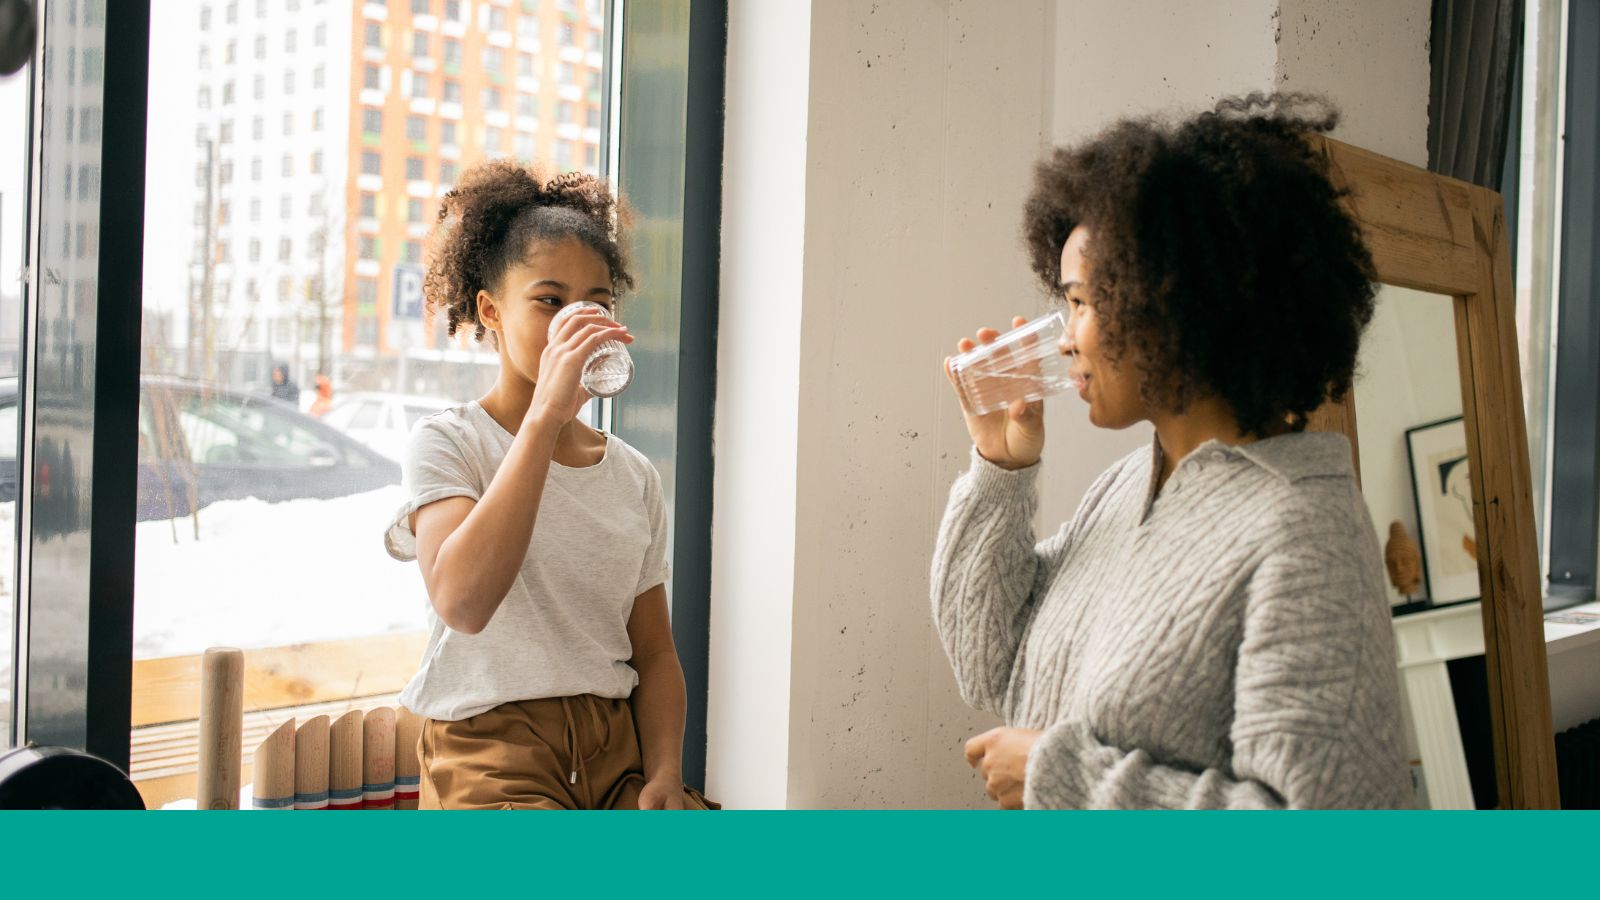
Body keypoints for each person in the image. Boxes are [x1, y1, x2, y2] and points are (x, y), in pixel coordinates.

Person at [932, 93, 1411, 809]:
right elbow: (990, 667)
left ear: (1174, 304)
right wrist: (1001, 470)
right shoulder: (1132, 487)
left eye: (1083, 302)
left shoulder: (1305, 533)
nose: (1065, 337)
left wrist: (1063, 780)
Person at [384, 162, 713, 810]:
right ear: (491, 311)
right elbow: (463, 602)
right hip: (491, 750)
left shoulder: (633, 476)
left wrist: (664, 774)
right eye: (550, 300)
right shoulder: (450, 443)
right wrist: (543, 418)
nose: (577, 322)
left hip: (616, 752)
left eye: (598, 304)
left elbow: (654, 654)